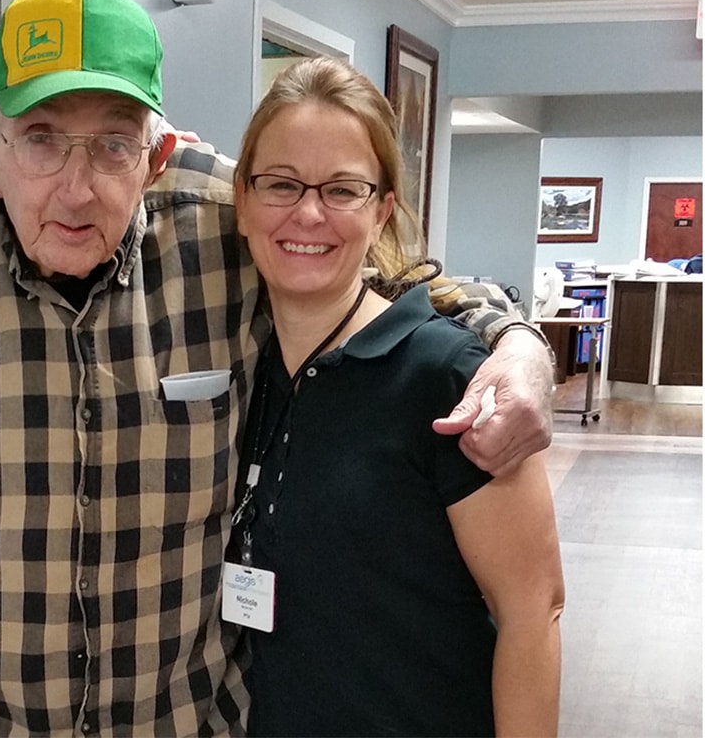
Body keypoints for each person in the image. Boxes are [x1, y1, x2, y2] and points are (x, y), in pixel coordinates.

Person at [0, 0, 556, 737]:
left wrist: (521, 346)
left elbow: (385, 268)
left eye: (113, 145)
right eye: (42, 140)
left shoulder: (226, 224)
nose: (77, 189)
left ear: (155, 154)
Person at [229, 56, 564, 737]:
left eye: (343, 189)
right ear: (242, 199)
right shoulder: (238, 370)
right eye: (281, 184)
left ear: (382, 210)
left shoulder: (447, 377)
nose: (309, 213)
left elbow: (535, 612)